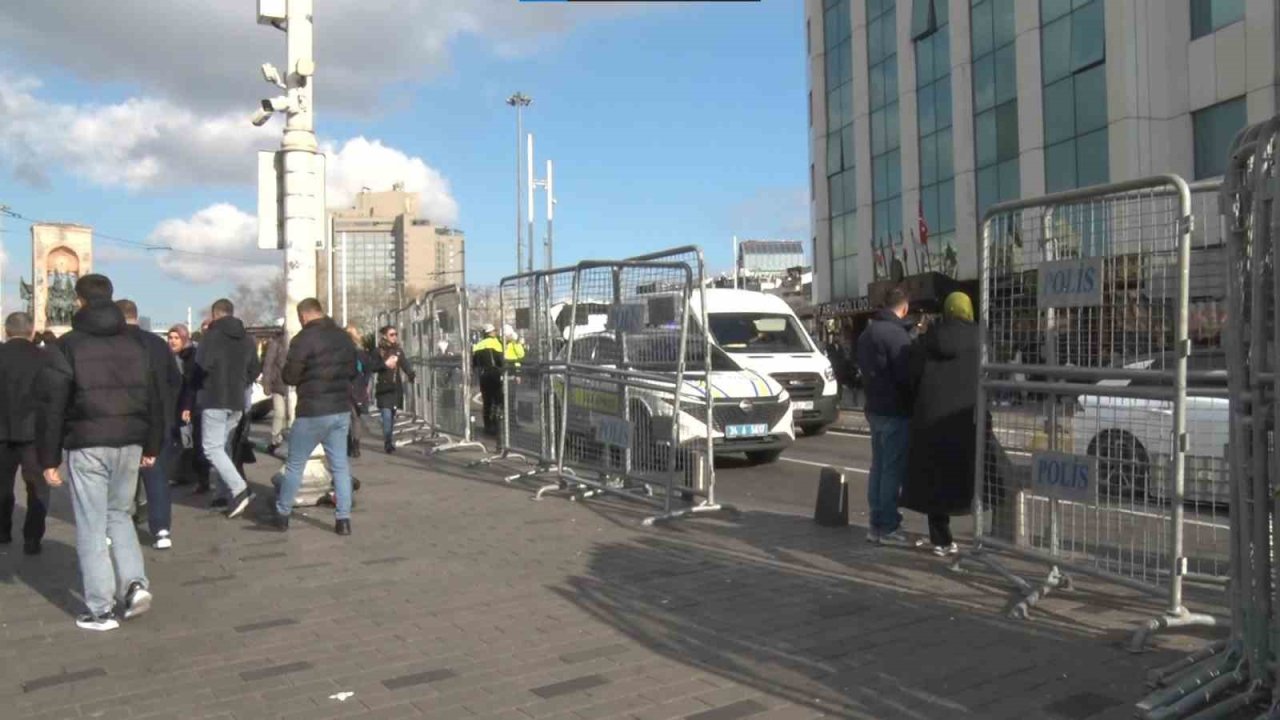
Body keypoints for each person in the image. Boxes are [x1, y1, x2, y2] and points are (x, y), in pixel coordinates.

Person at [41, 274, 164, 631]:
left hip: (88, 443)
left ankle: (100, 608)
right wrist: (152, 445)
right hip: (130, 441)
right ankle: (135, 583)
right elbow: (154, 398)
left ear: (79, 301)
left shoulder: (68, 346)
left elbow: (54, 406)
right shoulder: (138, 344)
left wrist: (50, 459)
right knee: (120, 515)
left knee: (92, 525)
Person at [901, 292, 980, 557]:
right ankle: (982, 538)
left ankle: (941, 539)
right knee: (975, 473)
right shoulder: (981, 338)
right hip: (966, 416)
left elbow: (911, 374)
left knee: (936, 478)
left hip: (931, 416)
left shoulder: (929, 339)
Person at [270, 298, 358, 535]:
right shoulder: (342, 337)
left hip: (312, 411)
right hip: (340, 410)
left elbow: (290, 376)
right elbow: (352, 370)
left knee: (295, 465)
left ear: (304, 316)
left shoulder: (303, 339)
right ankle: (343, 520)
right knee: (339, 466)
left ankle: (282, 514)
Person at [184, 299, 260, 520]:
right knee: (223, 448)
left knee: (211, 448)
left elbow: (200, 368)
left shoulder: (211, 337)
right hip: (236, 401)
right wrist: (240, 382)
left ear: (215, 314)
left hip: (214, 398)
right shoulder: (247, 339)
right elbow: (255, 369)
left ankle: (239, 489)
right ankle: (225, 495)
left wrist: (197, 387)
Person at [116, 300, 181, 550]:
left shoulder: (113, 345)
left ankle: (121, 525)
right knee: (157, 478)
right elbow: (175, 380)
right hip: (159, 421)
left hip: (125, 422)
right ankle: (161, 529)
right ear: (136, 316)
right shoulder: (157, 344)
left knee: (122, 478)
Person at [855, 287, 915, 545]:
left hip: (874, 407)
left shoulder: (868, 333)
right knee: (892, 470)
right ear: (904, 308)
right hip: (895, 409)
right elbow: (907, 375)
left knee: (878, 467)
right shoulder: (897, 335)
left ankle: (875, 523)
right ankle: (888, 526)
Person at [0, 312, 58, 555]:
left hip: (1, 432)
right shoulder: (45, 358)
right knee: (37, 487)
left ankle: (2, 530)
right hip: (35, 433)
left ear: (6, 330)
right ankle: (32, 537)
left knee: (2, 485)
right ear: (32, 331)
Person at [345, 325, 388, 459]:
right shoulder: (360, 353)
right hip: (357, 387)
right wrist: (365, 382)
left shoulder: (340, 351)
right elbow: (369, 369)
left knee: (347, 417)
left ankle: (348, 445)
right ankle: (355, 445)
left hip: (344, 388)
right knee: (355, 418)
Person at [374, 325, 415, 454]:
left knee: (391, 416)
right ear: (385, 336)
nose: (394, 337)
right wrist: (384, 365)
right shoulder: (379, 351)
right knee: (386, 415)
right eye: (391, 334)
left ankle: (389, 439)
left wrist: (411, 374)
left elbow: (404, 364)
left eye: (395, 334)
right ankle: (387, 442)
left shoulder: (398, 350)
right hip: (384, 388)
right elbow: (373, 367)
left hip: (395, 388)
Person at [260, 327, 289, 456]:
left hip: (293, 386)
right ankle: (275, 439)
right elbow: (268, 364)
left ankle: (285, 438)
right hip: (279, 385)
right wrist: (266, 383)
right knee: (280, 413)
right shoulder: (276, 343)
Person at [472, 323, 504, 436]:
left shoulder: (479, 345)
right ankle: (497, 425)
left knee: (487, 402)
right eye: (494, 331)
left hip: (483, 375)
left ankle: (487, 426)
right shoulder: (497, 343)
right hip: (495, 374)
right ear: (491, 333)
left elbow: (474, 363)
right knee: (498, 400)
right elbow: (501, 361)